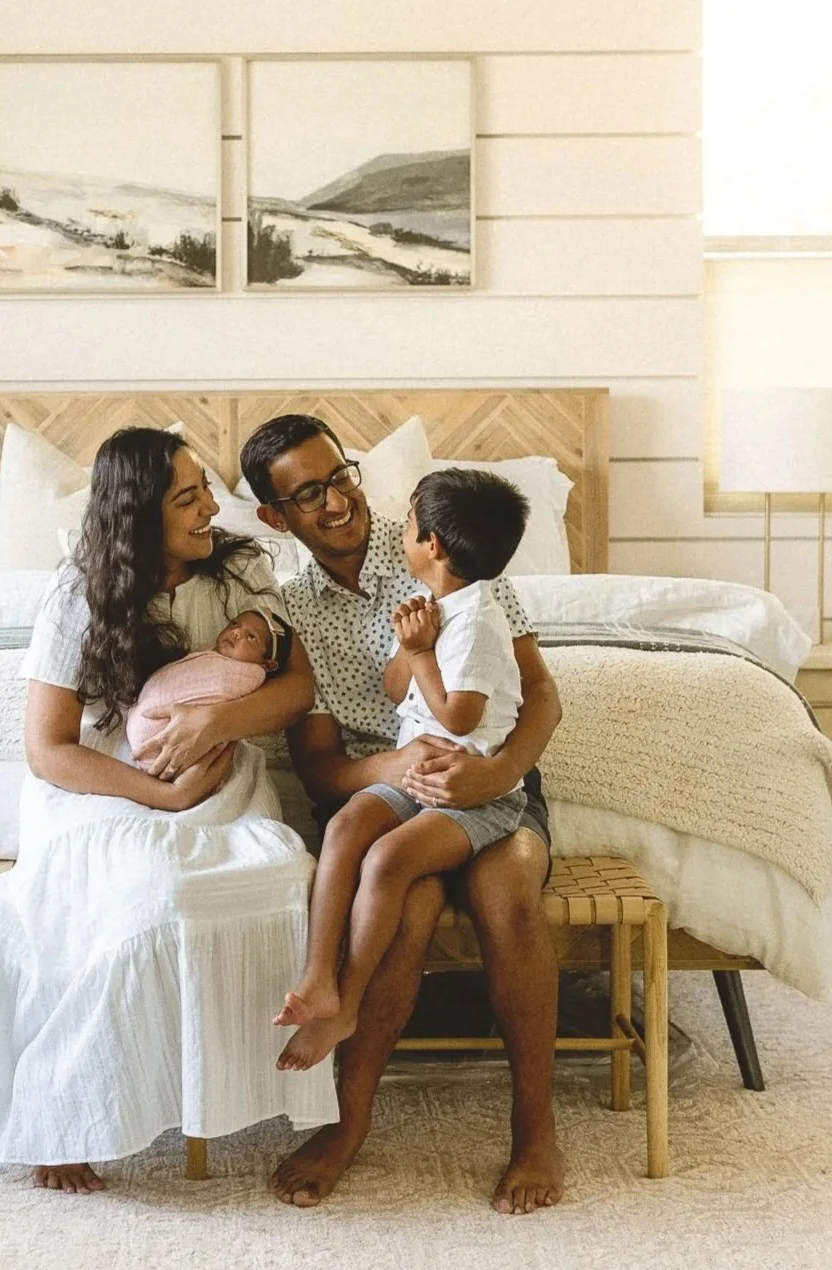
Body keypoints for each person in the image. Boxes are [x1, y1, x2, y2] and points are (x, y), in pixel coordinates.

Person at [0, 427, 335, 1193]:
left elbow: (297, 689)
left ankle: (220, 1088)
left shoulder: (242, 569)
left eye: (206, 489)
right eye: (186, 496)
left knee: (281, 872)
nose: (209, 507)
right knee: (137, 893)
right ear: (136, 513)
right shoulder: (79, 594)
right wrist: (160, 793)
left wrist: (215, 725)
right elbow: (49, 748)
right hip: (101, 789)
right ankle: (63, 1114)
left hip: (220, 781)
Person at [240, 414, 567, 1216]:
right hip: (385, 797)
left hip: (492, 779)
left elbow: (542, 696)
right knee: (404, 902)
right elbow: (320, 772)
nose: (338, 501)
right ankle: (349, 1124)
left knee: (506, 891)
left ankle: (535, 1127)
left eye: (340, 475)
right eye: (308, 494)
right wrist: (402, 768)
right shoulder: (293, 612)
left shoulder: (450, 544)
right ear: (273, 518)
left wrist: (496, 772)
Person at [276, 470, 532, 1071]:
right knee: (344, 831)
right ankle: (318, 978)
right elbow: (399, 693)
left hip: (472, 794)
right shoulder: (437, 606)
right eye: (314, 490)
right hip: (413, 778)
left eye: (412, 526)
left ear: (434, 546)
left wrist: (421, 652)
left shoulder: (477, 621)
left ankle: (348, 1003)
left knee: (387, 861)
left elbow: (462, 717)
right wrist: (408, 645)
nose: (402, 533)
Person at [125, 609, 292, 760]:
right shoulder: (211, 653)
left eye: (251, 637)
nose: (236, 632)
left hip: (166, 746)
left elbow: (219, 690)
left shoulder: (250, 674)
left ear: (268, 665)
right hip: (143, 728)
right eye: (234, 623)